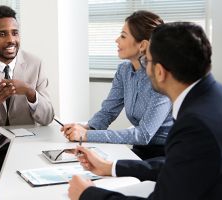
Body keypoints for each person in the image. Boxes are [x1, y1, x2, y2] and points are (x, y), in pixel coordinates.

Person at [68, 22, 222, 200]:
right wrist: (112, 167)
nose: (145, 68)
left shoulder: (196, 124)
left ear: (160, 72)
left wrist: (88, 195)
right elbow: (179, 166)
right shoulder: (221, 98)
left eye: (148, 61)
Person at [61, 11, 173, 159]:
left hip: (165, 154)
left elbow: (143, 134)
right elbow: (108, 112)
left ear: (142, 45)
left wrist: (87, 135)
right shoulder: (124, 70)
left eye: (123, 36)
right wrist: (86, 127)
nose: (116, 40)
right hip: (139, 150)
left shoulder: (161, 77)